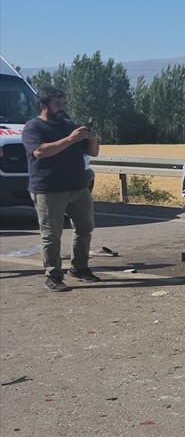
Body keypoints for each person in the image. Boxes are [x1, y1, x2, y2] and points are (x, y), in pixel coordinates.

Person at [22, 87, 101, 292]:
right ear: (43, 105)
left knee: (85, 228)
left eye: (64, 104)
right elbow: (39, 152)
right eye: (57, 105)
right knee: (52, 234)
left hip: (78, 187)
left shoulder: (70, 125)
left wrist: (91, 137)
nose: (62, 108)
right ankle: (53, 275)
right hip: (48, 190)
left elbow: (93, 152)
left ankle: (80, 268)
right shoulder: (33, 127)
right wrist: (70, 139)